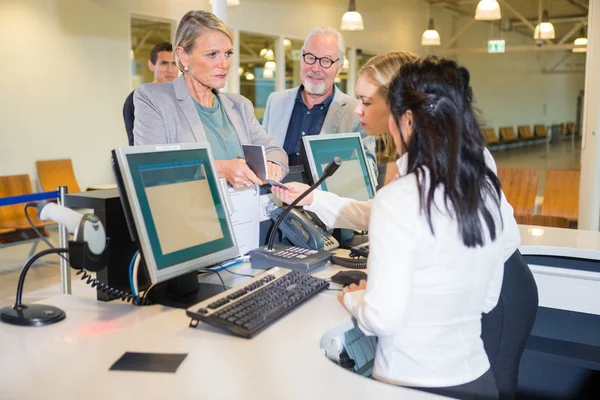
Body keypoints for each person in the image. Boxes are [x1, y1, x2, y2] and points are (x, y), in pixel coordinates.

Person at [277, 57, 523, 399]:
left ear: (404, 118)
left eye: (370, 102)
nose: (361, 111)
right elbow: (484, 296)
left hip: (412, 381)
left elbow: (381, 317)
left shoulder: (402, 196)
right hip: (475, 378)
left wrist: (355, 299)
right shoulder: (481, 186)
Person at [133, 11, 288, 189]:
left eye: (228, 53)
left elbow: (275, 151)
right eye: (212, 54)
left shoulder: (239, 105)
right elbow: (151, 167)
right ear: (183, 56)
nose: (224, 64)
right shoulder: (153, 98)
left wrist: (273, 165)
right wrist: (220, 169)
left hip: (245, 213)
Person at [261, 27, 376, 176]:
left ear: (340, 67)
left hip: (322, 199)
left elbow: (369, 174)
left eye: (326, 61)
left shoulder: (357, 113)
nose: (315, 68)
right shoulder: (275, 102)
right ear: (301, 58)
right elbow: (263, 153)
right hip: (274, 197)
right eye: (310, 57)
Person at [123, 42, 178, 145]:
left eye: (174, 63)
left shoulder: (182, 97)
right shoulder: (137, 99)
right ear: (151, 65)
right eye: (164, 63)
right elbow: (135, 144)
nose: (170, 70)